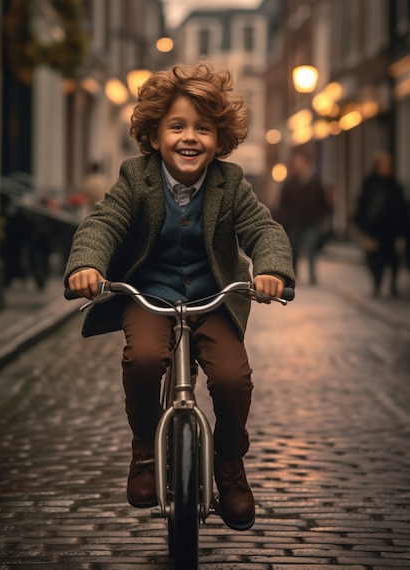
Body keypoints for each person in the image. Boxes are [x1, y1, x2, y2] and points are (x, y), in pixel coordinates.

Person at [64, 63, 295, 531]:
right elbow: (103, 223)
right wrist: (87, 265)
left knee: (234, 379)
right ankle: (146, 449)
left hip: (213, 301)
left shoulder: (231, 184)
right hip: (150, 296)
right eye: (177, 126)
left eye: (203, 129)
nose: (190, 138)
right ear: (153, 136)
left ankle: (229, 463)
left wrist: (270, 268)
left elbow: (262, 229)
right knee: (145, 358)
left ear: (220, 140)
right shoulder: (136, 179)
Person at [354, 150, 407, 297]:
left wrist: (402, 230)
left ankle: (393, 285)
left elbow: (401, 208)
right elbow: (363, 205)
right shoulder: (370, 184)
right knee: (374, 260)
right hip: (374, 230)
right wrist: (363, 226)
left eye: (388, 165)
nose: (386, 168)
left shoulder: (395, 185)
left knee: (393, 259)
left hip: (391, 230)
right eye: (383, 165)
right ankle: (377, 283)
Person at [277, 150, 330, 285]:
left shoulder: (315, 183)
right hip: (294, 223)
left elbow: (322, 202)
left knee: (311, 248)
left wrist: (323, 218)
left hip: (311, 222)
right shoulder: (289, 184)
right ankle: (293, 275)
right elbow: (283, 204)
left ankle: (312, 276)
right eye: (296, 163)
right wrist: (285, 221)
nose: (298, 166)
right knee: (293, 248)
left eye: (300, 163)